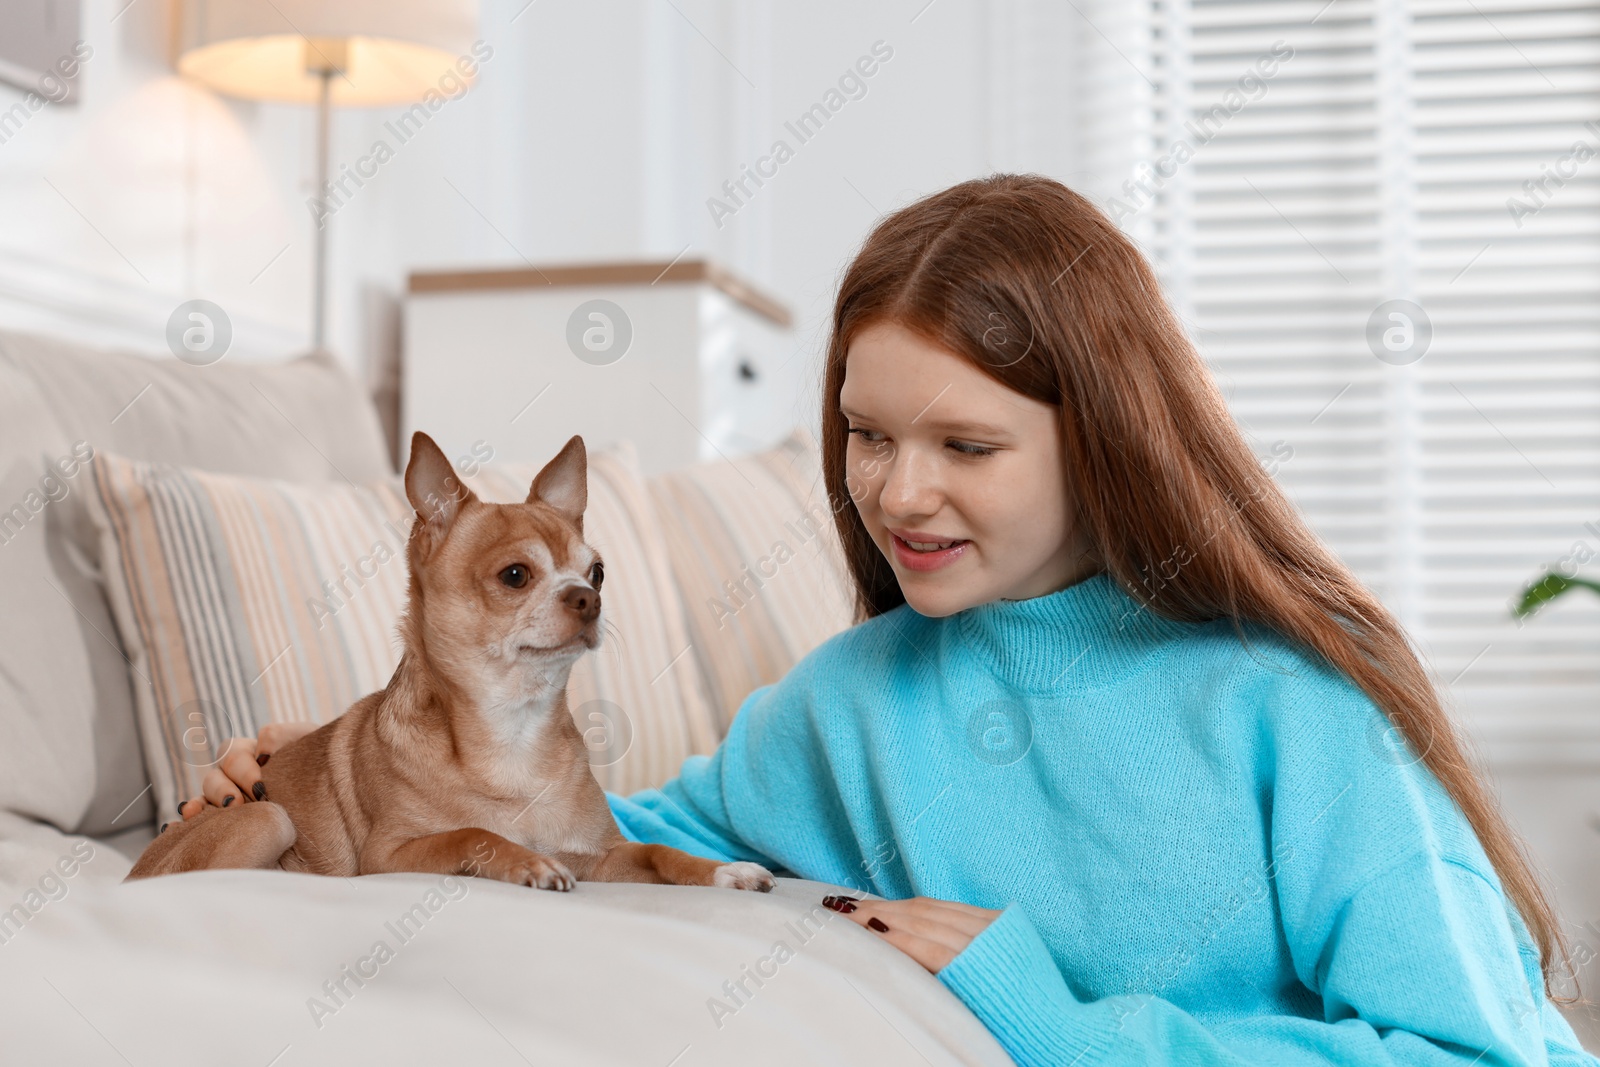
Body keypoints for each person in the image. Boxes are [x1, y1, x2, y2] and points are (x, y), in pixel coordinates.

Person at [185, 174, 1598, 1066]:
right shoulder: (850, 700)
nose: (896, 494)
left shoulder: (1292, 709)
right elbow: (615, 845)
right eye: (866, 436)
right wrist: (317, 775)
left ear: (1105, 439)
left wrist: (1057, 1022)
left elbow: (1478, 1056)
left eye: (965, 448)